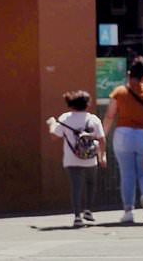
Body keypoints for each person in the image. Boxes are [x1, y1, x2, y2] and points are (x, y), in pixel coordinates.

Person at [102, 56, 143, 223]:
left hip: (123, 134)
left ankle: (128, 210)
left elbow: (109, 116)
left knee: (126, 174)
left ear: (129, 74)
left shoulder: (119, 92)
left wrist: (102, 136)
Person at [47, 90, 106, 228]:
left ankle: (77, 217)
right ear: (87, 104)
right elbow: (102, 139)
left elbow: (54, 136)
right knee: (91, 183)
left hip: (72, 158)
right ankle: (88, 210)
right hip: (90, 158)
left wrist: (51, 123)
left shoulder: (65, 118)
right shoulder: (93, 119)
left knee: (76, 187)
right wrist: (102, 156)